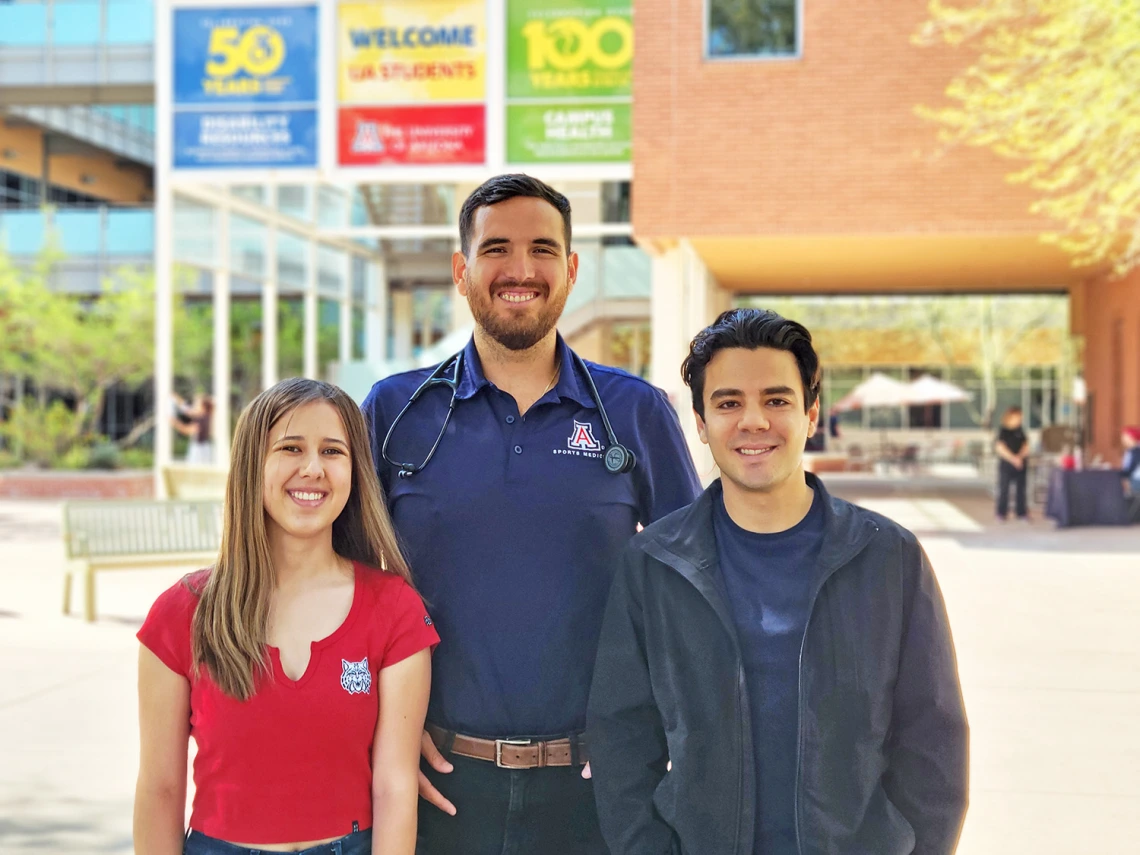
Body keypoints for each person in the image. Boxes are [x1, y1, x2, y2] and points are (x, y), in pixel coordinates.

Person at [361, 174, 701, 854]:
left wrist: (655, 731)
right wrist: (378, 721)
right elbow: (337, 576)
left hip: (594, 791)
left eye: (542, 248)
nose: (521, 269)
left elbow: (691, 588)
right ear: (461, 271)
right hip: (436, 787)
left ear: (571, 270)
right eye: (497, 249)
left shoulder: (635, 411)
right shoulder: (394, 411)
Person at [588, 308, 969, 855]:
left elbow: (934, 745)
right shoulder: (653, 564)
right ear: (700, 423)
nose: (754, 421)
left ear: (812, 413)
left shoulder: (889, 557)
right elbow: (622, 742)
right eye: (728, 403)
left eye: (776, 400)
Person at [134, 378, 439, 855]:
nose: (313, 468)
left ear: (356, 471)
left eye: (333, 452)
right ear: (252, 466)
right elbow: (160, 789)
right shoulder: (181, 614)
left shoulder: (394, 610)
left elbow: (395, 789)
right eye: (291, 448)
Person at [994, 405, 1030, 522]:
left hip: (1020, 464)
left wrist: (1020, 457)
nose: (1019, 419)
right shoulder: (1003, 430)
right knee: (1004, 489)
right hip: (1007, 464)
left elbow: (1026, 446)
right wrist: (1013, 459)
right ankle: (1001, 513)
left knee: (1021, 489)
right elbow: (1000, 447)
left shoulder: (1020, 430)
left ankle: (1021, 513)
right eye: (1017, 417)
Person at [172, 390, 215, 464]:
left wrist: (173, 421)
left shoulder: (203, 419)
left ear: (203, 407)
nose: (194, 406)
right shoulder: (204, 415)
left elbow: (186, 429)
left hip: (200, 451)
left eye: (197, 404)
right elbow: (187, 409)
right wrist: (176, 398)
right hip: (201, 449)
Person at [1121, 426, 1140, 524]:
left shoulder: (1133, 451)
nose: (1123, 439)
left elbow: (1127, 471)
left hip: (1137, 483)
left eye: (1125, 436)